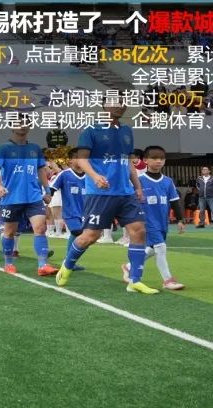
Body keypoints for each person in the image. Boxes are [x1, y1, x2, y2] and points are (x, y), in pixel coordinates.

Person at [56, 95, 160, 294]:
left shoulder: (126, 131)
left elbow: (127, 161)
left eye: (123, 102)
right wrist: (95, 176)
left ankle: (135, 280)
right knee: (90, 236)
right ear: (104, 106)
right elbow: (82, 159)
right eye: (115, 102)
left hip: (125, 192)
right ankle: (67, 265)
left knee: (139, 231)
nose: (120, 105)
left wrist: (137, 186)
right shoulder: (91, 130)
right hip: (100, 192)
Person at [0, 124, 57, 276]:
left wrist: (47, 190)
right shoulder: (3, 149)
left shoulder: (35, 148)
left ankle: (43, 265)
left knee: (40, 228)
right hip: (11, 197)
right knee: (9, 232)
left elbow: (40, 169)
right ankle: (8, 263)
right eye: (18, 123)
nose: (23, 126)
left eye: (26, 123)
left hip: (33, 196)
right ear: (11, 126)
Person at [129, 146, 186, 290]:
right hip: (146, 221)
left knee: (153, 248)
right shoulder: (139, 181)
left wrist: (180, 219)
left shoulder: (168, 181)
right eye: (154, 158)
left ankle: (129, 266)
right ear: (145, 160)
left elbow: (174, 201)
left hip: (162, 221)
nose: (158, 161)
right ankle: (168, 280)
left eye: (161, 158)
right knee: (160, 247)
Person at [50, 149, 87, 272]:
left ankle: (70, 262)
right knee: (77, 232)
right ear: (70, 160)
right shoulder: (64, 174)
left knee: (83, 237)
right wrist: (46, 197)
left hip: (86, 212)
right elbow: (52, 188)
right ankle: (68, 261)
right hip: (71, 212)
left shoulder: (89, 175)